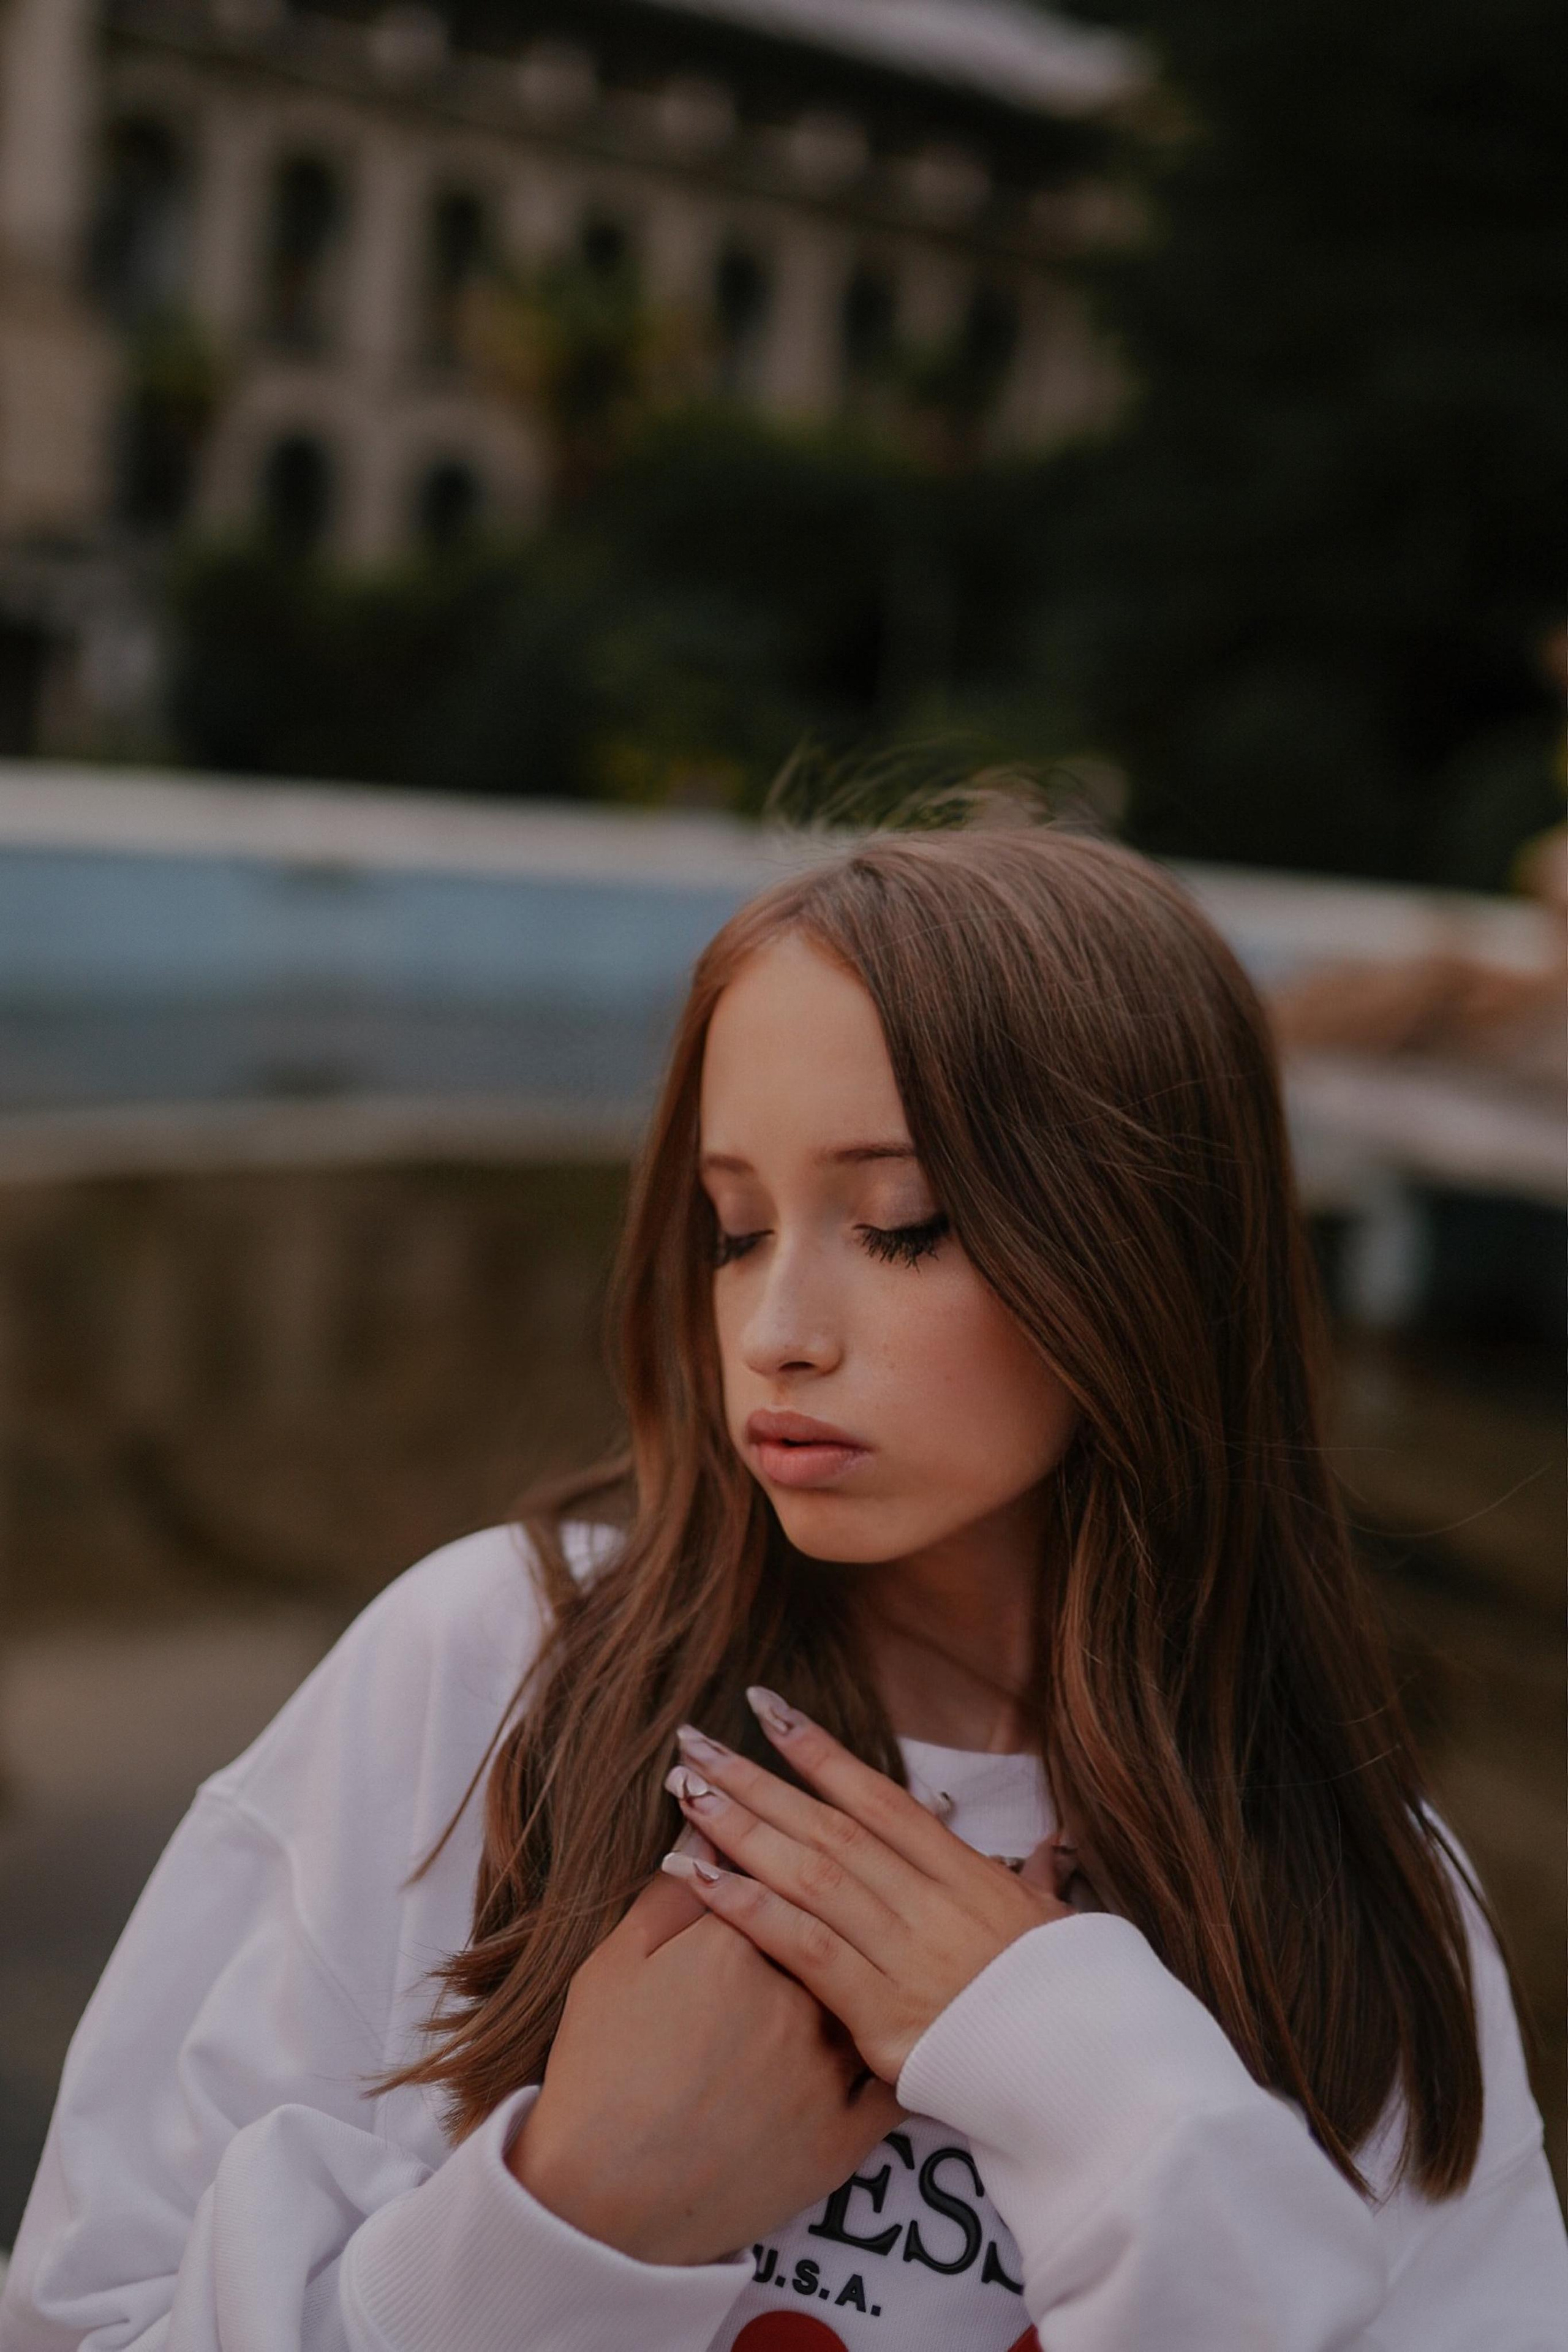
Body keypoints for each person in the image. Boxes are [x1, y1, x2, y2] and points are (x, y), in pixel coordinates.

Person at [2, 823, 1564, 2352]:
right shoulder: (494, 1673)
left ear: (1147, 1255)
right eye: (735, 1229)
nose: (774, 1329)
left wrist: (1109, 2097)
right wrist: (567, 2222)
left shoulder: (1368, 1893)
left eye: (900, 1228)